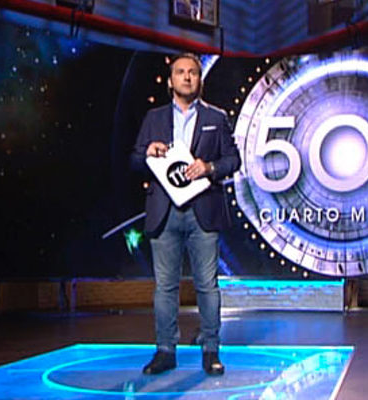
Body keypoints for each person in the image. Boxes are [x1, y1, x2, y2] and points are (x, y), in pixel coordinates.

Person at [131, 53, 240, 375]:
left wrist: (210, 167)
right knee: (165, 287)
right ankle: (165, 351)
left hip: (202, 211)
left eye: (192, 72)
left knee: (207, 285)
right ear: (171, 81)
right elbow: (134, 160)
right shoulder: (153, 118)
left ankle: (211, 350)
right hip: (164, 212)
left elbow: (233, 160)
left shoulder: (216, 117)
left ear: (199, 79)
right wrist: (147, 153)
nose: (187, 77)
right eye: (180, 72)